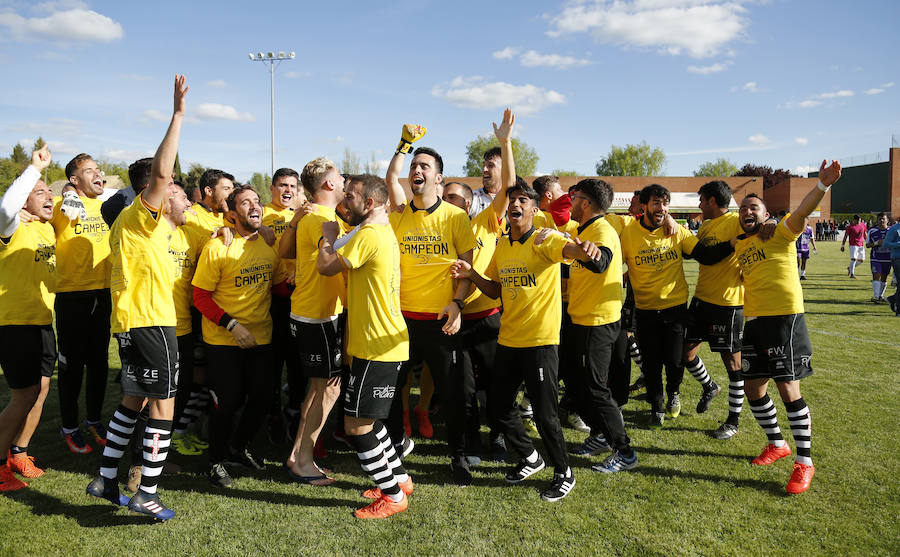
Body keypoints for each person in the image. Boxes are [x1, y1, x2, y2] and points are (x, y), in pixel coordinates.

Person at [451, 183, 606, 502]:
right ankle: (530, 457)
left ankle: (564, 472)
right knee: (498, 406)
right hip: (508, 339)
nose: (515, 204)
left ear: (535, 210)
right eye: (512, 201)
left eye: (523, 200)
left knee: (546, 414)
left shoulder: (543, 238)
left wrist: (584, 251)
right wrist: (471, 273)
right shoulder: (503, 245)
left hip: (540, 342)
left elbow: (569, 250)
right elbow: (494, 289)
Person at [85, 75, 190, 519]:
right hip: (150, 324)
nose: (177, 193)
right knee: (163, 404)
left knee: (134, 400)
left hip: (131, 325)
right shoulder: (139, 218)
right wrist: (178, 115)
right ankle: (146, 491)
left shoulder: (147, 228)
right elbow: (163, 173)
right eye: (173, 190)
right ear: (155, 193)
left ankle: (107, 478)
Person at [734, 159, 841, 494]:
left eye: (753, 207)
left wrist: (822, 185)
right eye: (742, 209)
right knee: (753, 388)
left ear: (766, 215)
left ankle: (804, 462)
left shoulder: (780, 232)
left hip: (785, 320)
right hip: (753, 322)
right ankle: (777, 444)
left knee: (788, 389)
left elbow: (803, 211)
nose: (746, 212)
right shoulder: (742, 244)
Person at [317, 174, 412, 519]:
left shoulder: (371, 234)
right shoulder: (376, 231)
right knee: (371, 420)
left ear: (369, 203)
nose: (344, 201)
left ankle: (392, 496)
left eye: (351, 197)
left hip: (378, 346)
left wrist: (327, 240)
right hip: (378, 342)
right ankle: (400, 479)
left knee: (356, 427)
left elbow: (325, 266)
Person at [384, 128, 476, 473]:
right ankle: (394, 449)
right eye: (414, 166)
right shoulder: (398, 214)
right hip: (401, 319)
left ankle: (458, 455)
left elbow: (467, 269)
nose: (416, 170)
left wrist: (458, 304)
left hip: (441, 320)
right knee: (393, 391)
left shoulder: (455, 217)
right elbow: (391, 175)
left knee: (452, 393)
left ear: (438, 178)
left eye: (424, 166)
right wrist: (404, 144)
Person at [192, 185, 289, 488]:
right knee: (228, 403)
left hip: (262, 338)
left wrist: (299, 284)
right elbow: (200, 297)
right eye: (246, 203)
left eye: (257, 201)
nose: (255, 206)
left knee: (262, 399)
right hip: (224, 341)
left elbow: (274, 287)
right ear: (232, 215)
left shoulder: (270, 244)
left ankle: (237, 447)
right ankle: (215, 460)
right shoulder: (217, 246)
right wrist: (233, 325)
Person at [441, 108, 516, 482]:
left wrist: (505, 143)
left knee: (498, 386)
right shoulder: (435, 229)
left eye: (457, 197)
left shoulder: (484, 221)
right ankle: (469, 445)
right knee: (462, 390)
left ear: (469, 203)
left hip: (488, 319)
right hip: (452, 323)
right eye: (446, 197)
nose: (451, 202)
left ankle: (500, 437)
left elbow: (509, 189)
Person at [620, 184, 735, 428]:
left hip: (675, 309)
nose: (661, 208)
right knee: (650, 364)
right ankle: (656, 406)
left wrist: (734, 243)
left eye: (665, 204)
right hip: (646, 310)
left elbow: (705, 255)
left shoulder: (678, 232)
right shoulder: (628, 233)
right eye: (655, 203)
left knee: (674, 361)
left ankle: (674, 394)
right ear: (643, 205)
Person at [278, 158, 346, 485]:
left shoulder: (313, 216)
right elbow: (326, 263)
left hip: (311, 311)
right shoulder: (324, 219)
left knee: (319, 388)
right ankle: (304, 460)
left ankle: (297, 454)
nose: (345, 181)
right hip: (317, 315)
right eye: (341, 177)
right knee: (327, 390)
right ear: (330, 184)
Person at [564, 178, 638, 473]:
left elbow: (601, 261)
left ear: (585, 202)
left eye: (574, 197)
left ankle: (625, 451)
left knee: (594, 388)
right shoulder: (583, 230)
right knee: (574, 382)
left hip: (598, 322)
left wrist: (590, 252)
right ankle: (599, 434)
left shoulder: (602, 229)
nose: (570, 202)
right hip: (580, 319)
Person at [0, 146, 56, 490]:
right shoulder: (11, 226)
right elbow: (7, 206)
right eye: (40, 192)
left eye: (49, 190)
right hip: (14, 322)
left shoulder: (47, 227)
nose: (48, 195)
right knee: (23, 394)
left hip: (43, 322)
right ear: (24, 202)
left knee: (42, 388)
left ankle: (19, 452)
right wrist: (35, 169)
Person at [51, 151, 113, 454]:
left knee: (100, 362)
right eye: (90, 170)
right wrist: (67, 192)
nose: (97, 173)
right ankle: (70, 426)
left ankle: (93, 419)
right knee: (72, 365)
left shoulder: (106, 207)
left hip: (103, 293)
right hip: (72, 295)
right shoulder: (65, 206)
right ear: (75, 180)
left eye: (98, 169)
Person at [683, 181, 749, 440]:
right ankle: (709, 386)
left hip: (728, 304)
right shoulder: (707, 225)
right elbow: (696, 253)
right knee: (684, 353)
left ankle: (733, 421)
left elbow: (758, 225)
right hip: (701, 299)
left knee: (733, 364)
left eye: (701, 200)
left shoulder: (735, 221)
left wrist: (768, 225)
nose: (699, 205)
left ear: (712, 200)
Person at [261, 167, 304, 444]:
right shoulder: (261, 212)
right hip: (270, 299)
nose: (286, 190)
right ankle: (274, 415)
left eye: (291, 185)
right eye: (281, 185)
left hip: (300, 298)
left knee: (299, 362)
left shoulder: (304, 213)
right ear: (272, 188)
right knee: (273, 362)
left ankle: (293, 409)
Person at [468, 146, 502, 217]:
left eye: (490, 165)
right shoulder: (473, 199)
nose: (484, 170)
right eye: (483, 165)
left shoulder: (514, 200)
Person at [866, 213, 892, 302]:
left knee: (884, 277)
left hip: (888, 258)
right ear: (877, 220)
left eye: (883, 219)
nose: (881, 221)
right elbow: (867, 245)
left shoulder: (892, 230)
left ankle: (881, 296)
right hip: (876, 258)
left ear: (887, 220)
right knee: (876, 275)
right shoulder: (872, 231)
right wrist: (877, 243)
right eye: (880, 219)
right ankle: (876, 296)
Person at [884, 218, 900, 316]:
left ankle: (893, 299)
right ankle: (898, 310)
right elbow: (886, 244)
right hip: (897, 259)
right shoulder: (895, 229)